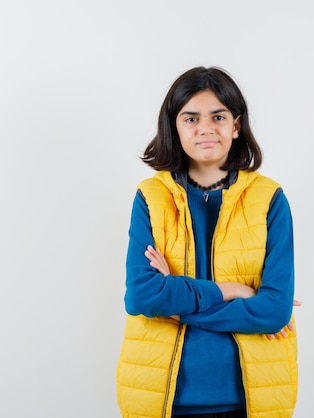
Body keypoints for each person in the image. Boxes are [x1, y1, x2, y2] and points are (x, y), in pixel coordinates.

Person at [116, 66, 298, 418]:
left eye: (218, 116)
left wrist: (174, 303)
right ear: (175, 127)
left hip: (250, 399)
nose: (205, 128)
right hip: (160, 398)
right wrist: (236, 290)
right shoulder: (151, 197)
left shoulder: (269, 198)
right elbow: (141, 296)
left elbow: (275, 311)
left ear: (236, 125)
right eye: (191, 118)